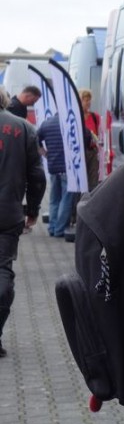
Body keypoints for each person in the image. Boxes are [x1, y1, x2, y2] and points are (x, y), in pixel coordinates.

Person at [0, 84, 46, 357]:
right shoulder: (23, 128)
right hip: (7, 215)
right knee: (3, 271)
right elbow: (37, 176)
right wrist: (33, 209)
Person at [37, 113, 75, 238]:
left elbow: (35, 139)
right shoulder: (70, 123)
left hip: (53, 166)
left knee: (54, 199)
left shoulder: (46, 123)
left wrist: (44, 153)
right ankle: (59, 229)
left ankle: (52, 228)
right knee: (66, 199)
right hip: (67, 167)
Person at [79, 89, 100, 191]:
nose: (88, 102)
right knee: (82, 180)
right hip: (80, 151)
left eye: (89, 100)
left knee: (93, 179)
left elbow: (100, 132)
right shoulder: (76, 117)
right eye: (86, 100)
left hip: (92, 151)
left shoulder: (94, 116)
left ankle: (92, 201)